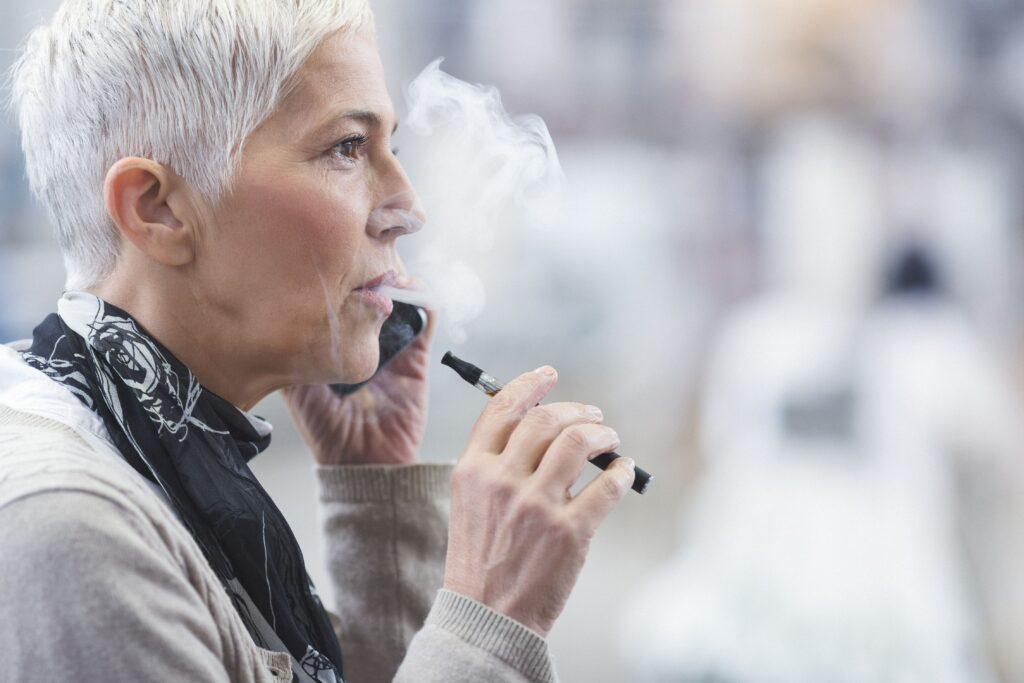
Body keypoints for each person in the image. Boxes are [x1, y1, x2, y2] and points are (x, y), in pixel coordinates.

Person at [0, 2, 637, 681]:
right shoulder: (71, 531)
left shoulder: (153, 445)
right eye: (347, 148)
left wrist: (376, 508)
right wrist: (490, 617)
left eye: (391, 147)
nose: (407, 209)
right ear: (156, 208)